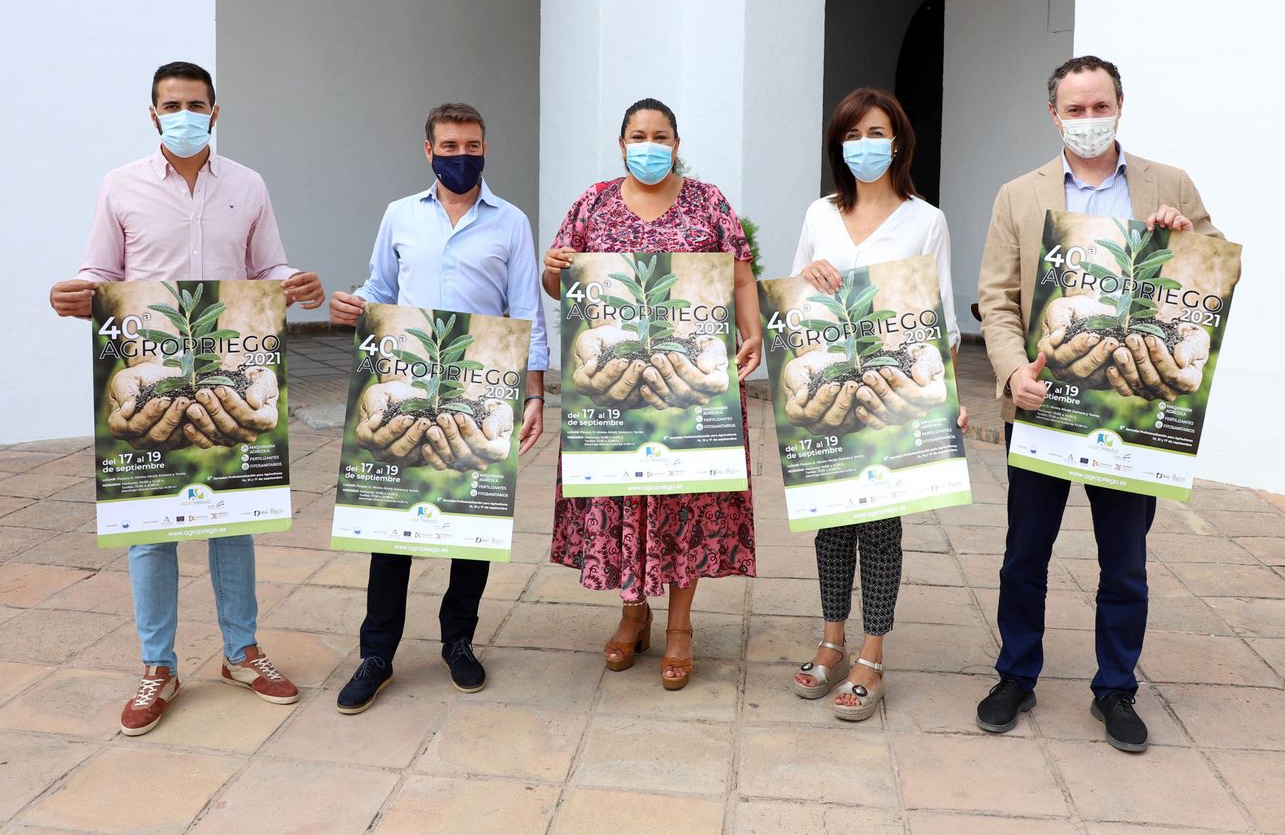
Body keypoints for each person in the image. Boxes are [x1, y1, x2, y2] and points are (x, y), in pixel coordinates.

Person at [49, 61, 325, 736]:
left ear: (215, 111)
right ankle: (158, 666)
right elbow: (101, 271)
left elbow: (268, 267)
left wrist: (296, 283)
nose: (184, 114)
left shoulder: (248, 185)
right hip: (149, 373)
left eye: (195, 103)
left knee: (233, 518)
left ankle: (241, 652)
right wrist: (75, 292)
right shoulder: (121, 186)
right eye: (171, 104)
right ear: (152, 114)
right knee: (150, 529)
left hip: (230, 367)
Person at [975, 54, 1222, 752]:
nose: (1089, 119)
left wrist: (1188, 236)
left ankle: (1116, 686)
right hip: (1046, 401)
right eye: (1075, 109)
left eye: (1099, 106)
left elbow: (1215, 275)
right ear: (1053, 114)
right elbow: (995, 297)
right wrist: (1009, 369)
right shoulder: (1017, 195)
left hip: (1133, 410)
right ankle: (1015, 673)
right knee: (1025, 555)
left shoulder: (1167, 184)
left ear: (1120, 105)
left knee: (1125, 562)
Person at [327, 103, 548, 712]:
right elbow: (380, 288)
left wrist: (534, 394)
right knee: (389, 527)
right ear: (428, 150)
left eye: (471, 145)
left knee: (470, 529)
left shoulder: (511, 223)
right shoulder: (400, 215)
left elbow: (527, 310)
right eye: (448, 146)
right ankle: (377, 653)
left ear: (485, 148)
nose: (461, 155)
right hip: (404, 384)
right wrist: (353, 305)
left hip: (481, 391)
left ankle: (459, 642)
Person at [542, 98, 762, 690]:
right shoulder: (591, 202)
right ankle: (632, 614)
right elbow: (561, 287)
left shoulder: (708, 201)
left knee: (682, 500)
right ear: (621, 144)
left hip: (689, 381)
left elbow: (740, 274)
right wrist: (554, 266)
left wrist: (753, 332)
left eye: (660, 135)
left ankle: (681, 627)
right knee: (622, 499)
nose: (649, 144)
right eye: (638, 135)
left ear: (676, 142)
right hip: (613, 387)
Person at [785, 88, 969, 721]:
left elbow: (940, 316)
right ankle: (831, 637)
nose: (865, 143)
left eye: (877, 131)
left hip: (893, 393)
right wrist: (809, 278)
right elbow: (794, 302)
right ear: (841, 145)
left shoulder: (925, 220)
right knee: (831, 523)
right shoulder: (819, 215)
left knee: (881, 530)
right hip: (829, 389)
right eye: (853, 133)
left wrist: (950, 398)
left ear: (898, 141)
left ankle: (872, 654)